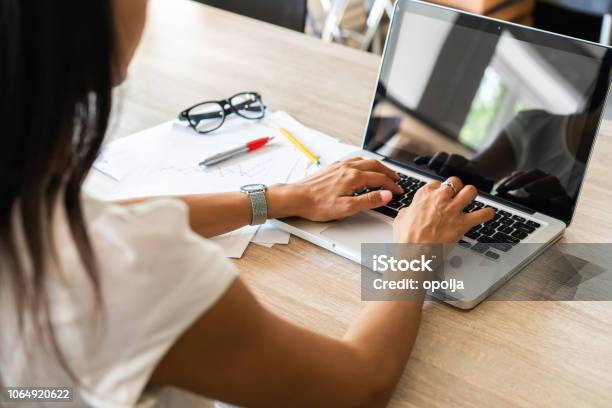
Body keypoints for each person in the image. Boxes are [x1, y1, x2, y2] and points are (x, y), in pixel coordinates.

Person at [0, 1, 493, 406]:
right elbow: (358, 385)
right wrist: (412, 259)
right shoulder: (126, 271)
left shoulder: (34, 208)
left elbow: (99, 222)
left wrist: (284, 197)